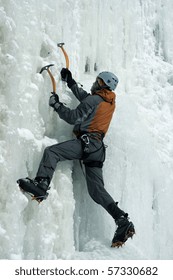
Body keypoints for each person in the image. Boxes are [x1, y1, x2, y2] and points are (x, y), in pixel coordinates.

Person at [17, 68, 135, 247]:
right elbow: (88, 100)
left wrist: (57, 105)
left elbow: (74, 117)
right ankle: (121, 219)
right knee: (96, 190)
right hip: (97, 149)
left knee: (52, 152)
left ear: (102, 83)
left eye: (98, 80)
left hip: (87, 143)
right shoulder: (109, 101)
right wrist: (71, 82)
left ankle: (41, 185)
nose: (95, 82)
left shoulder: (95, 99)